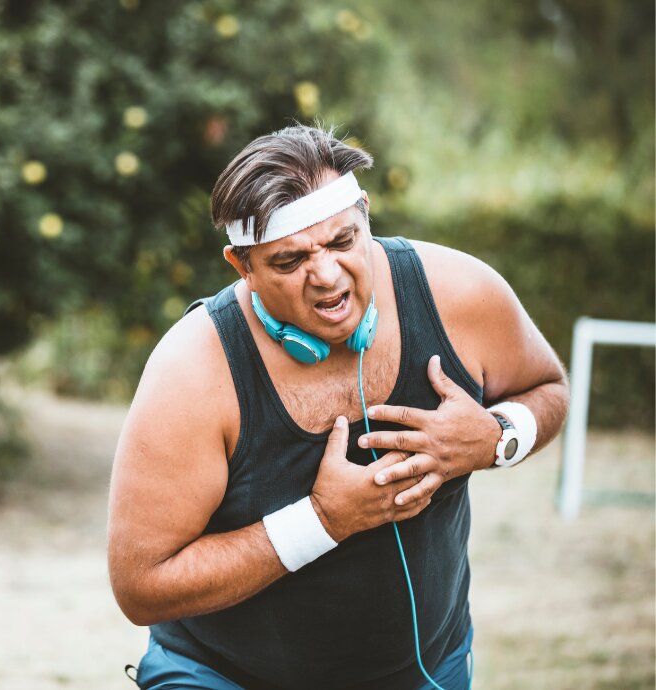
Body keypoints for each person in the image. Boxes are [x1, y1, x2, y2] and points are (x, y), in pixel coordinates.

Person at [107, 125, 569, 690]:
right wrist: (323, 521)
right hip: (221, 677)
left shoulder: (459, 292)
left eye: (342, 241)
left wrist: (497, 437)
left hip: (428, 670)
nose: (326, 276)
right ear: (242, 266)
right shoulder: (193, 369)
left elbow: (549, 388)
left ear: (365, 214)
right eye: (289, 261)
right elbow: (141, 588)